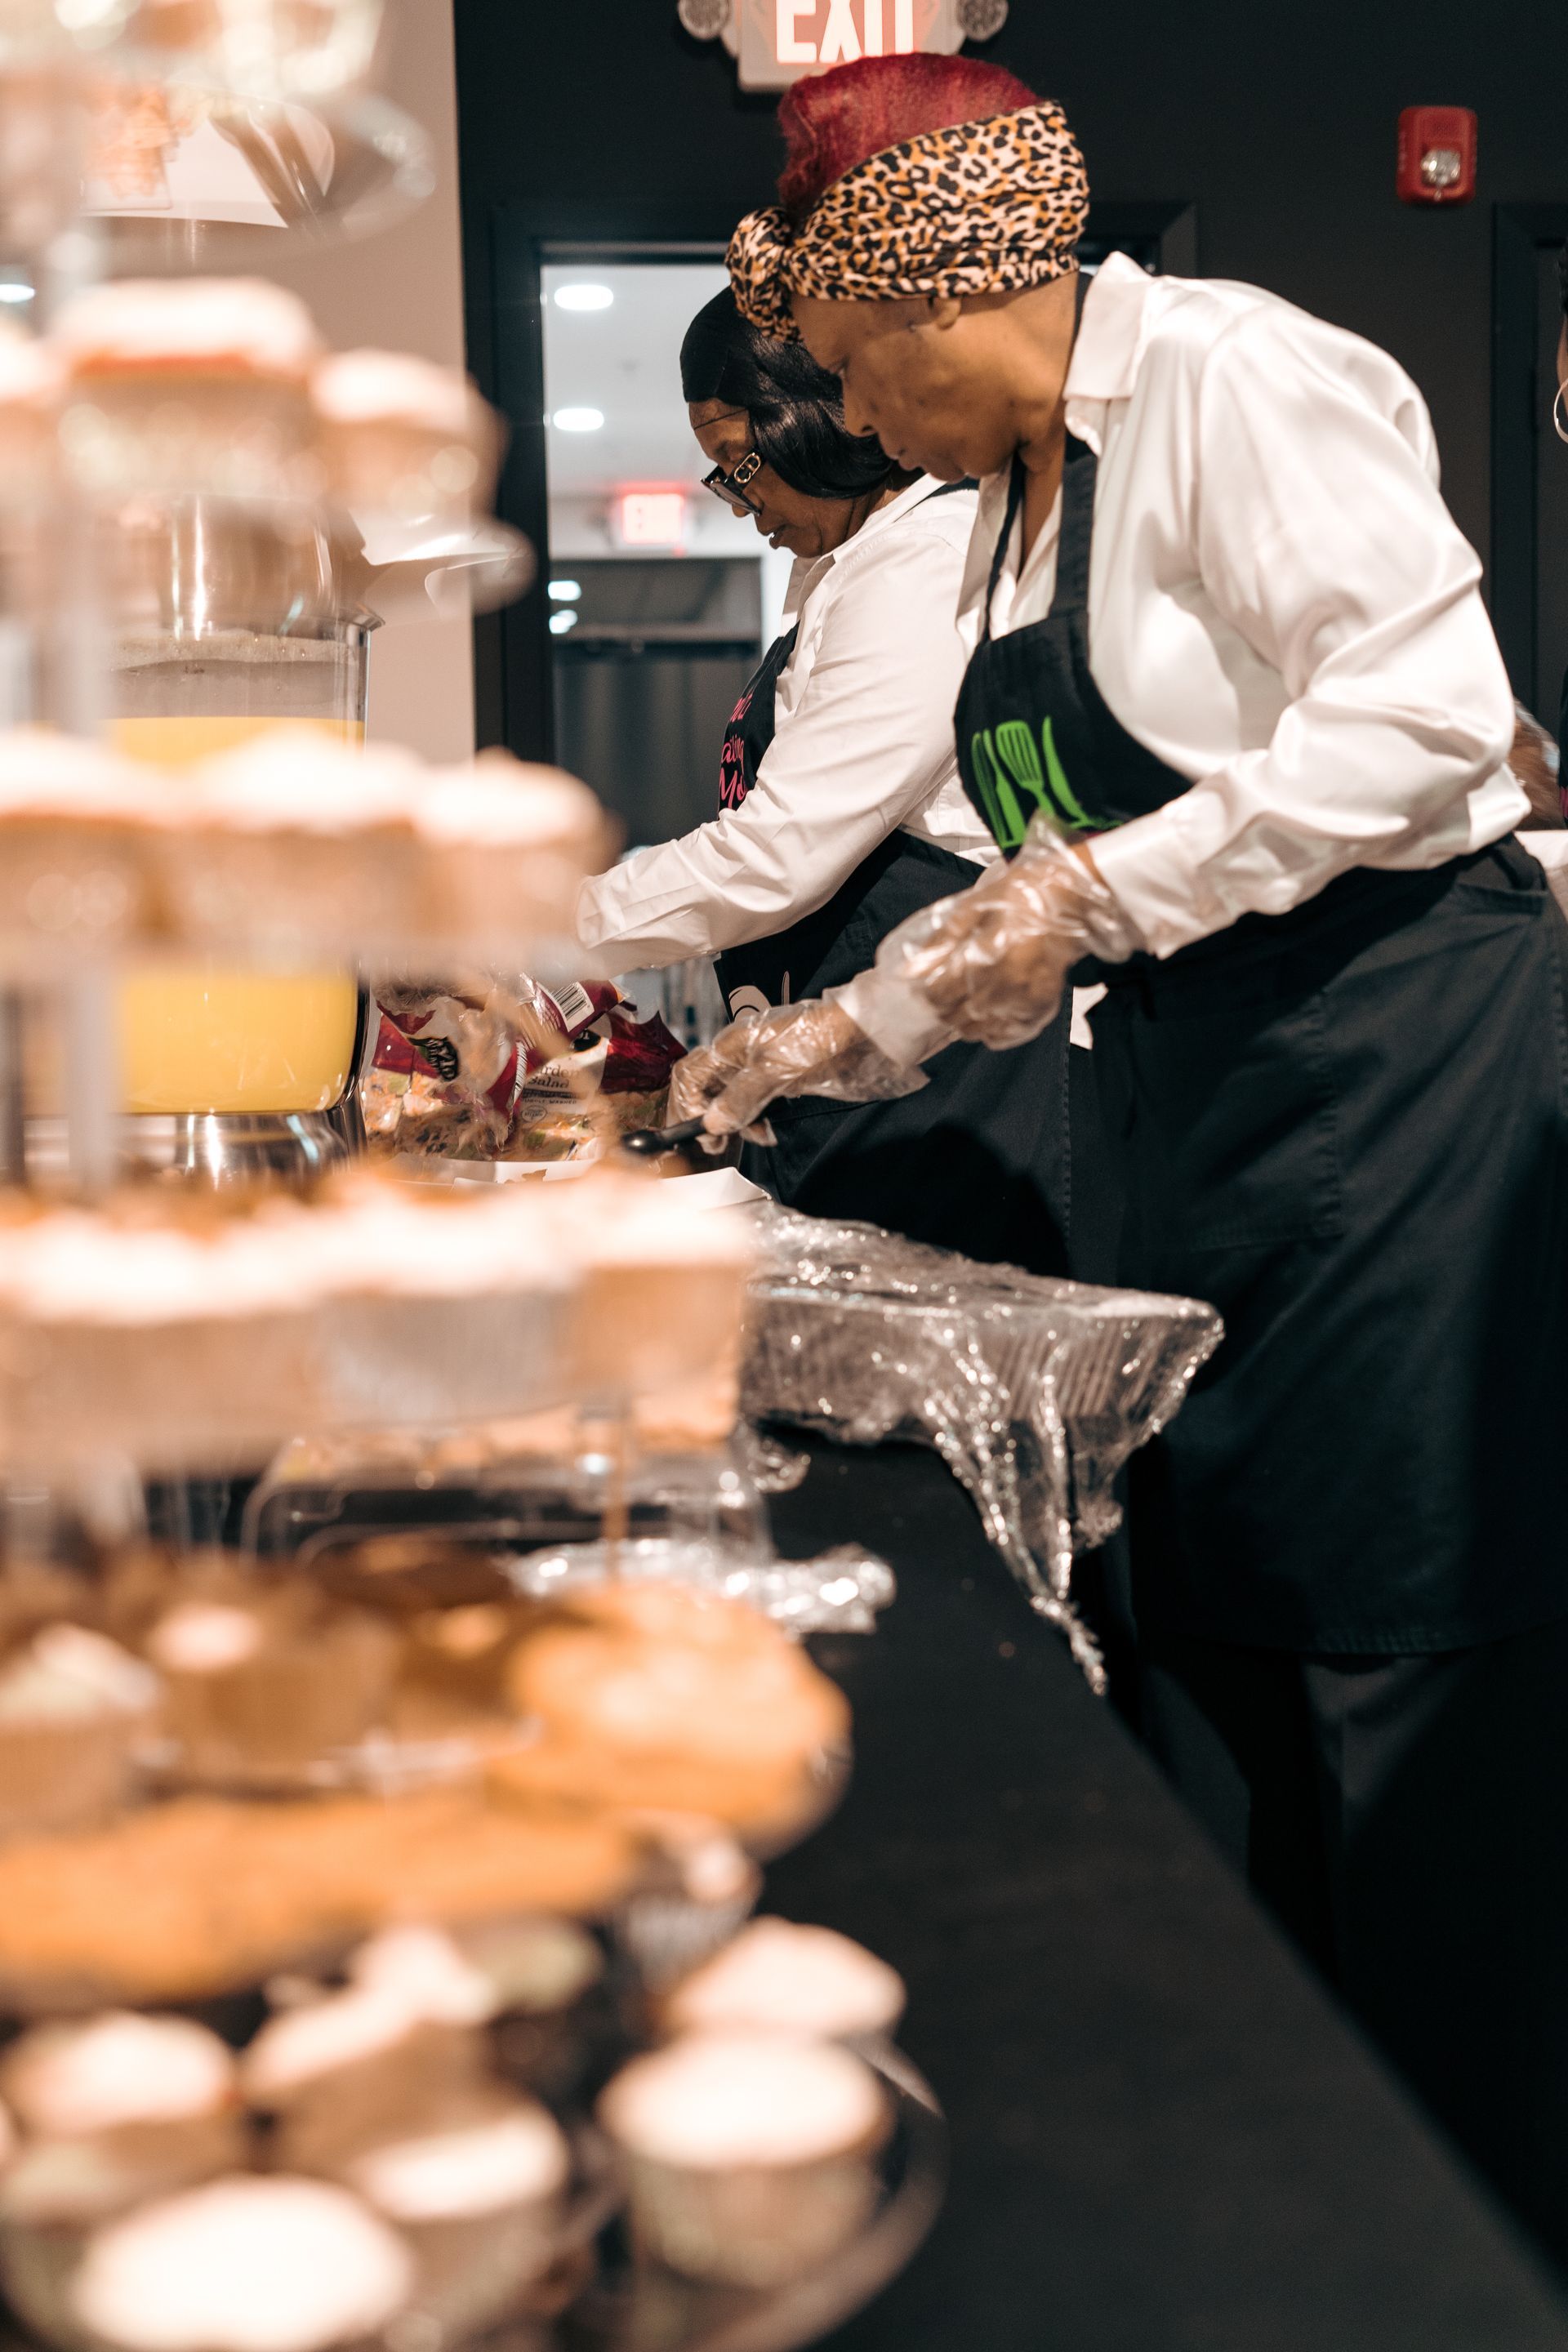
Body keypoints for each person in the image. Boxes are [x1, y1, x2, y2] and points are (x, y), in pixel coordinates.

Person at [671, 53, 1568, 2264]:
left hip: (1394, 1081)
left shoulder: (1242, 385)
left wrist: (1101, 898)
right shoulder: (1002, 503)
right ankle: (1261, 2170)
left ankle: (1462, 2221)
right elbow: (1034, 879)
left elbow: (1427, 717)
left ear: (949, 288)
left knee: (1390, 1636)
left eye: (855, 364)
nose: (853, 421)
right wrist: (836, 1028)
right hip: (1197, 1091)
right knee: (1212, 1615)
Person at [578, 265, 1089, 1274]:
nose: (735, 502)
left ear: (816, 415)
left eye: (739, 464)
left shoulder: (921, 564)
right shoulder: (848, 575)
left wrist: (542, 923)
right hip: (866, 1066)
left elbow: (778, 856)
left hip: (947, 1085)